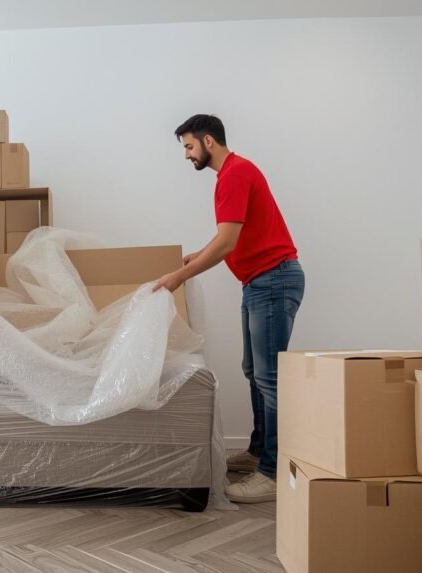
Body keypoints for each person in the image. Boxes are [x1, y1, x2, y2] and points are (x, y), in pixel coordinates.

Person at [153, 114, 304, 504]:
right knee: (255, 372)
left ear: (208, 141)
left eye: (188, 146)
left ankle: (271, 473)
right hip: (260, 282)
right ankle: (258, 451)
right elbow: (225, 238)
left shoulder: (234, 175)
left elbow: (226, 244)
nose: (186, 155)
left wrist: (177, 278)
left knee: (270, 379)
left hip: (272, 280)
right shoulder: (233, 174)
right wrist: (197, 257)